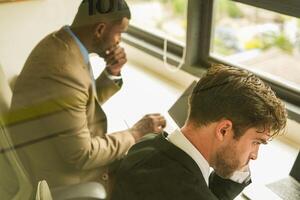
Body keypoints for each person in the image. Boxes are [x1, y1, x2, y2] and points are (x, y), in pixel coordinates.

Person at [6, 0, 166, 193]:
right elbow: (83, 155)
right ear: (99, 29)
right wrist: (135, 133)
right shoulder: (63, 70)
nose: (119, 41)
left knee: (149, 155)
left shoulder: (61, 43)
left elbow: (76, 101)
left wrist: (111, 72)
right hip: (66, 175)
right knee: (154, 175)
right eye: (119, 33)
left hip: (59, 149)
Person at [111, 64, 287, 200]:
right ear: (224, 130)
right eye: (256, 142)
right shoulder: (191, 193)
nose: (255, 155)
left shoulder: (146, 144)